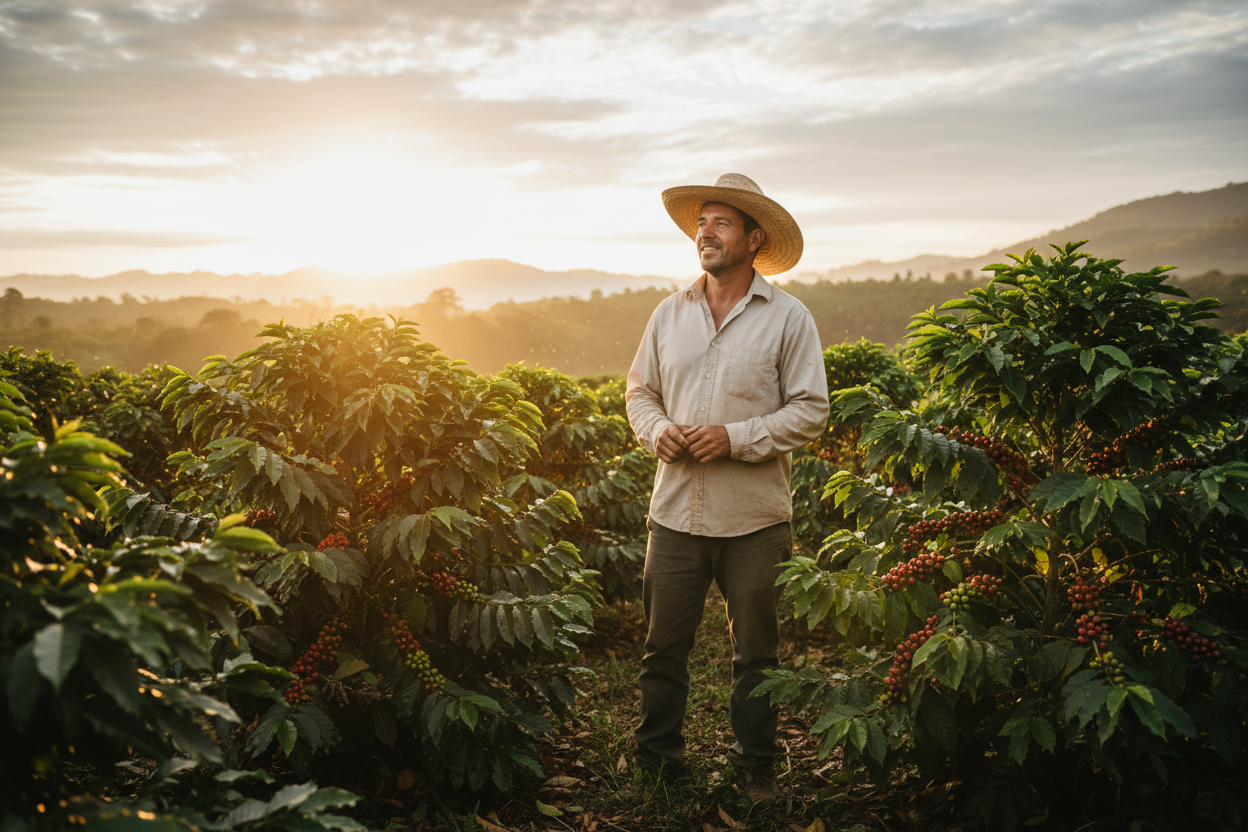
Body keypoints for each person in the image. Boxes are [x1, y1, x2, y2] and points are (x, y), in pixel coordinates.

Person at [624, 173, 830, 801]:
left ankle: (755, 768)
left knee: (757, 657)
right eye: (700, 222)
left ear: (753, 238)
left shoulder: (789, 318)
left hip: (755, 522)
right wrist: (656, 430)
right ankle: (657, 763)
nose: (704, 233)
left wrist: (735, 438)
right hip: (674, 515)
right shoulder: (668, 313)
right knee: (663, 650)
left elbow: (811, 410)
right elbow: (639, 392)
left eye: (720, 222)